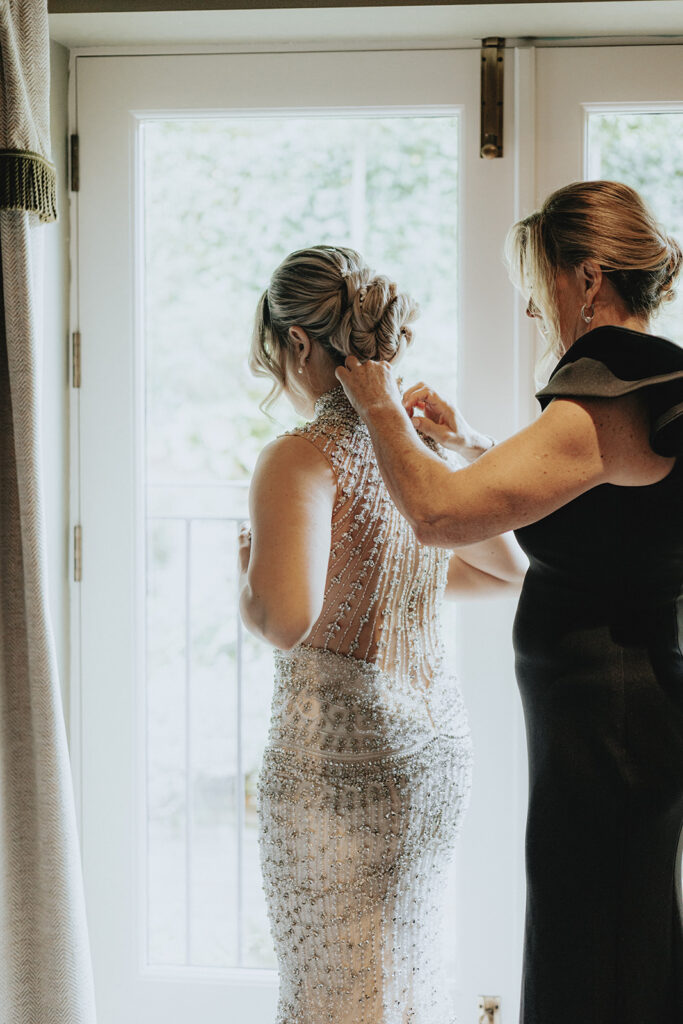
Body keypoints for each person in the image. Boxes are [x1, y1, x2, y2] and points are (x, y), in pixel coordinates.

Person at [334, 180, 683, 1024]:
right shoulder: (641, 382)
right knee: (604, 923)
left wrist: (376, 403)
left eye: (538, 283)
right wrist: (465, 443)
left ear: (586, 277)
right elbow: (598, 499)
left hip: (610, 716)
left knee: (596, 937)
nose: (533, 308)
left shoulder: (614, 382)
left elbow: (437, 515)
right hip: (612, 707)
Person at [238, 245, 526, 1024]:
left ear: (298, 342)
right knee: (401, 965)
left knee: (332, 985)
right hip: (432, 754)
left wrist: (247, 583)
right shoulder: (411, 446)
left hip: (341, 760)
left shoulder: (299, 458)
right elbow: (501, 571)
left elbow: (285, 620)